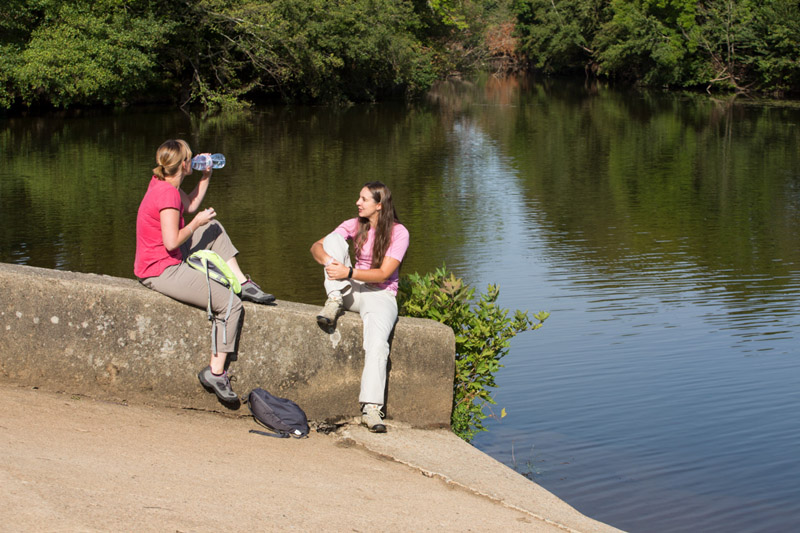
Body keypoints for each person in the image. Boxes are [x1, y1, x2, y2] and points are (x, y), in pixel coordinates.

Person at [134, 139, 274, 403]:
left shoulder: (165, 185)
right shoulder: (166, 194)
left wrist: (206, 175)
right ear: (185, 164)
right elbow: (172, 242)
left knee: (213, 227)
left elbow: (191, 206)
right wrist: (196, 222)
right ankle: (215, 372)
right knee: (230, 305)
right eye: (191, 158)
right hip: (159, 270)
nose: (194, 161)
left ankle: (242, 282)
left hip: (164, 258)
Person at [310, 181, 409, 433]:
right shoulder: (355, 224)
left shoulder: (399, 233)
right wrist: (331, 264)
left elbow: (384, 273)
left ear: (379, 205)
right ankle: (334, 300)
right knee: (332, 239)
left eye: (364, 199)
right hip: (349, 289)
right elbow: (316, 246)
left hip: (381, 294)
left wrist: (349, 271)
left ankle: (371, 409)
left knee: (377, 344)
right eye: (359, 198)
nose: (358, 203)